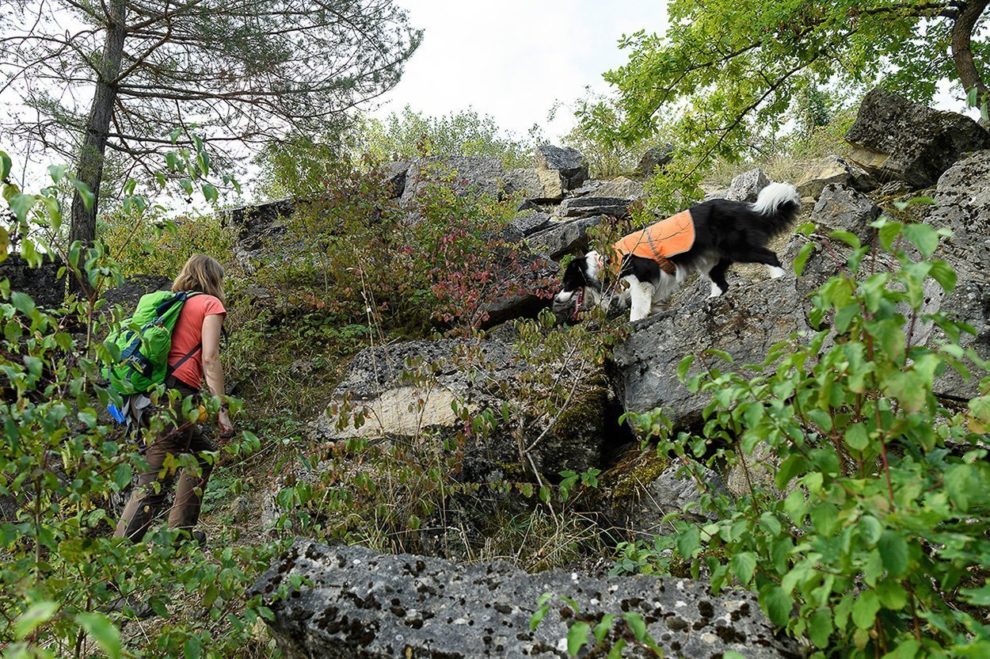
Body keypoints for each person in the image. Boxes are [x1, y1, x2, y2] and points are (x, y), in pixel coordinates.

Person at [114, 254, 234, 544]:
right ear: (213, 280)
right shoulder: (209, 304)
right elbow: (210, 358)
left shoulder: (166, 304)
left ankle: (180, 535)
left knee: (203, 456)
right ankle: (113, 562)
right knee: (153, 484)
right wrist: (221, 409)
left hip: (147, 399)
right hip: (176, 400)